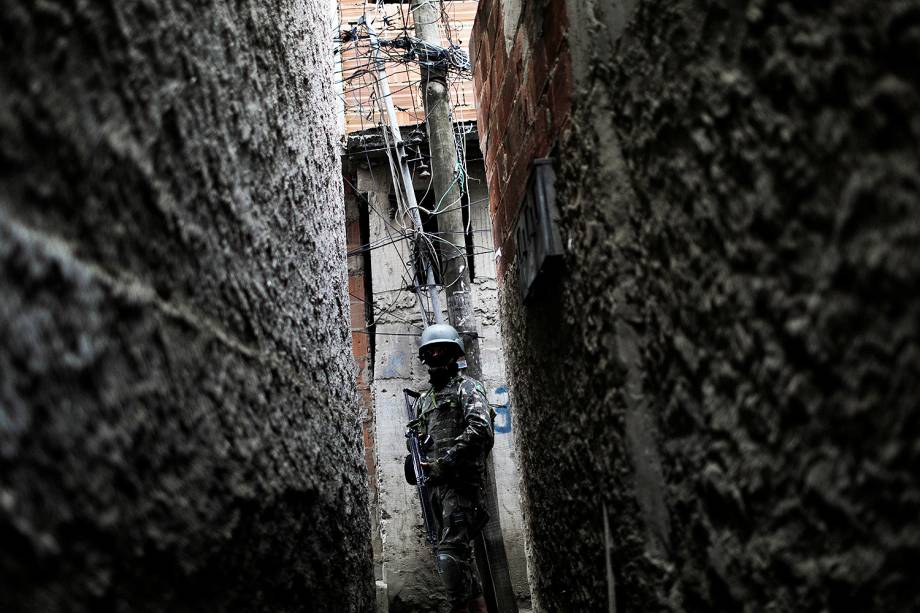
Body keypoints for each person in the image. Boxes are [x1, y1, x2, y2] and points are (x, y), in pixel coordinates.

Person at [407, 323, 494, 613]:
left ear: (453, 352)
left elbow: (481, 429)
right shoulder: (423, 401)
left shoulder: (467, 387)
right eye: (430, 350)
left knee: (450, 560)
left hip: (461, 488)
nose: (435, 354)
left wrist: (443, 464)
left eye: (440, 348)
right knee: (462, 564)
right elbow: (422, 445)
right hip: (435, 490)